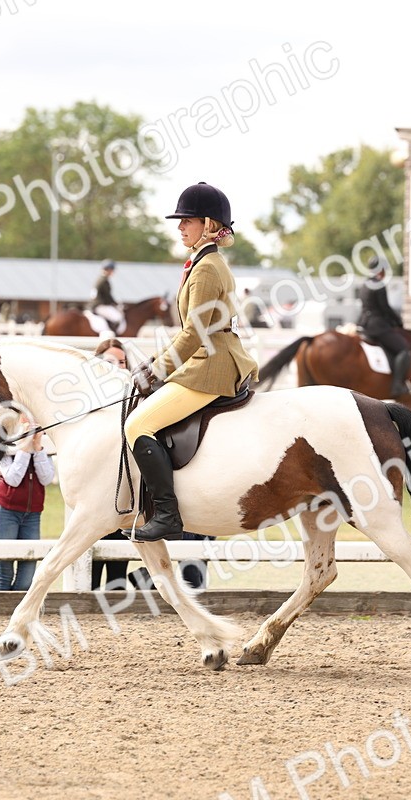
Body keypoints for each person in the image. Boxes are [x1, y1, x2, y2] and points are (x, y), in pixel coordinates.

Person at [124, 181, 258, 542]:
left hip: (210, 367)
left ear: (209, 224)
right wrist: (153, 360)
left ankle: (167, 513)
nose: (180, 226)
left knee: (137, 425)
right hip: (206, 358)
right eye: (180, 221)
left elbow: (194, 334)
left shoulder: (207, 268)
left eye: (188, 220)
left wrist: (157, 371)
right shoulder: (203, 262)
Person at [0, 417, 55, 591]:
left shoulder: (44, 449)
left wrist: (38, 446)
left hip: (32, 514)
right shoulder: (5, 447)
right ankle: (1, 612)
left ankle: (16, 611)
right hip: (5, 512)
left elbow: (46, 478)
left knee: (28, 572)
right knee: (5, 570)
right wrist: (25, 447)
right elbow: (13, 479)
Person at [91, 338, 132, 590]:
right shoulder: (89, 402)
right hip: (96, 490)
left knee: (119, 566)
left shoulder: (133, 397)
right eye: (110, 362)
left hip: (124, 488)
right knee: (91, 564)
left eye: (122, 362)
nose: (117, 367)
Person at [357, 256, 411, 398]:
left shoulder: (365, 284)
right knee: (403, 349)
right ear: (380, 269)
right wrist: (397, 320)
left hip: (364, 323)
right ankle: (397, 385)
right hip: (377, 326)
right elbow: (385, 308)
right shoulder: (379, 284)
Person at [92, 260, 124, 336]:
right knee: (118, 317)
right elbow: (107, 296)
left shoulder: (100, 279)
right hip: (100, 305)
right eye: (112, 270)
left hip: (97, 304)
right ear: (109, 269)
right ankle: (112, 336)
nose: (113, 272)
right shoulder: (104, 281)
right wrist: (115, 304)